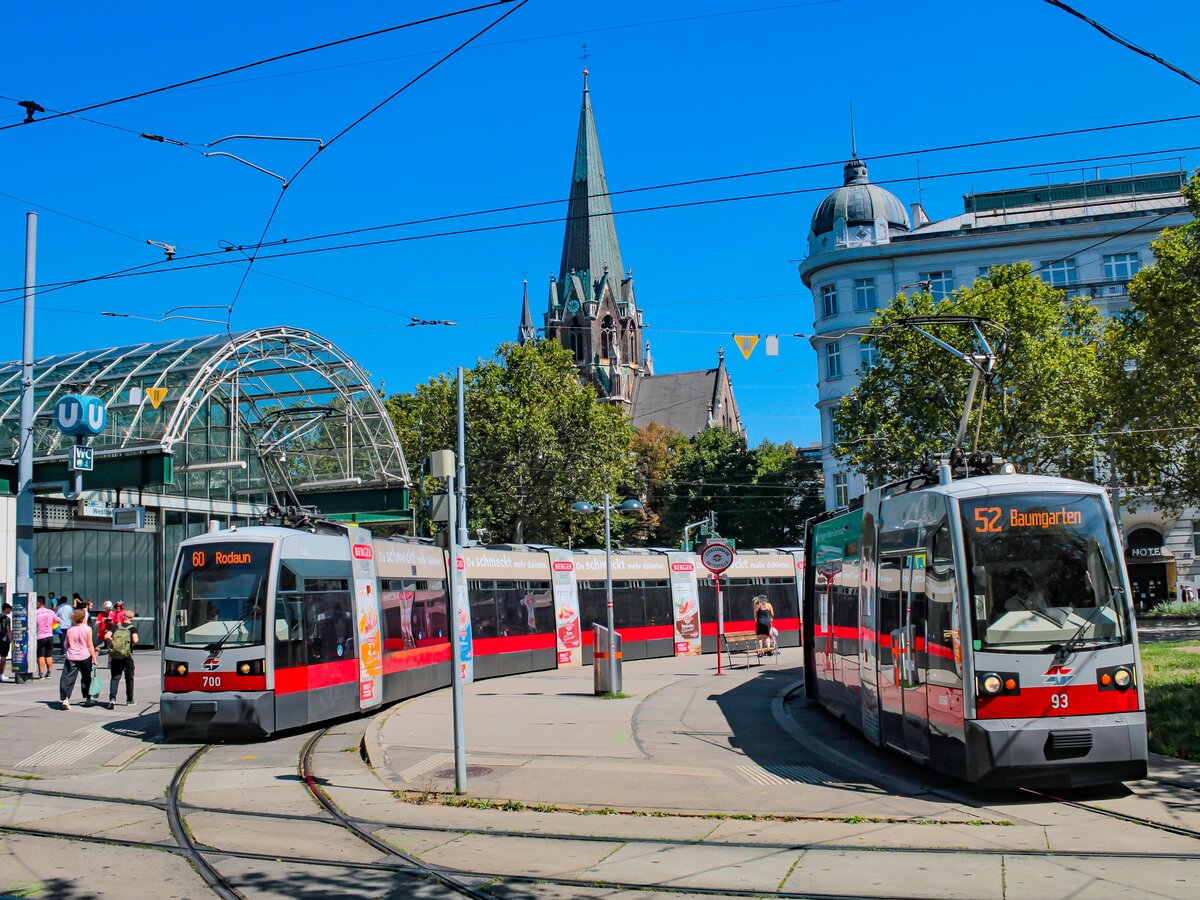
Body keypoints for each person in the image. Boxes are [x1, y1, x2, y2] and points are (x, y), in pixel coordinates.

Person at [59, 609, 99, 710]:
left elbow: (66, 644)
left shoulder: (70, 630)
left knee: (67, 678)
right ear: (83, 617)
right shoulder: (87, 629)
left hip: (71, 656)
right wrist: (94, 659)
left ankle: (65, 699)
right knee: (86, 678)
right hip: (84, 656)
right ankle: (87, 699)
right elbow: (90, 645)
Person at [107, 610, 139, 709]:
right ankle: (129, 700)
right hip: (127, 656)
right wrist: (131, 645)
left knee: (115, 677)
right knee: (129, 678)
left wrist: (114, 643)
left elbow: (106, 636)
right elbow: (135, 640)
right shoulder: (132, 628)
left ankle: (112, 699)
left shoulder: (116, 626)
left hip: (115, 656)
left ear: (124, 617)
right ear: (132, 618)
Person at [35, 597, 58, 679]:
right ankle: (49, 672)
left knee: (40, 655)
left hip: (40, 636)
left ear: (38, 603)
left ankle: (41, 673)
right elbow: (58, 620)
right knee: (49, 655)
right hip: (49, 635)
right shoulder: (50, 612)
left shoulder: (35, 613)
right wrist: (52, 626)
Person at [0, 603, 11, 683]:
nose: (10, 610)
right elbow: (8, 630)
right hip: (4, 640)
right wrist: (10, 639)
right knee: (3, 659)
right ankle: (1, 675)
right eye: (9, 609)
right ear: (6, 609)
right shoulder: (7, 619)